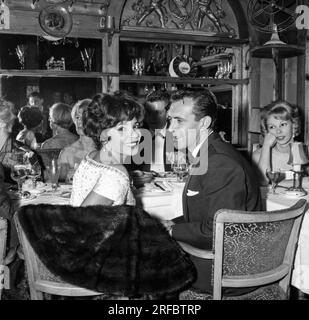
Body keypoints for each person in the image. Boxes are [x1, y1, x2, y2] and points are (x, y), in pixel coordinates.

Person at [161, 89, 262, 296]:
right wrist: (174, 223)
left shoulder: (218, 162)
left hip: (225, 270)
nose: (170, 130)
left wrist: (171, 231)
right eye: (169, 120)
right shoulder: (208, 153)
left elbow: (219, 230)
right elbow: (210, 214)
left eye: (179, 121)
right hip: (219, 255)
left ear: (204, 123)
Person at [70, 92, 144, 207]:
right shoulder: (117, 173)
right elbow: (82, 220)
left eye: (135, 126)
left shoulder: (92, 156)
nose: (134, 135)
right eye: (122, 129)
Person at [252, 101, 301, 183]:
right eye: (272, 127)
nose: (278, 131)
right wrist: (266, 146)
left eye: (283, 124)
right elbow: (263, 183)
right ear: (267, 130)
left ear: (293, 125)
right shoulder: (258, 156)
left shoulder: (305, 152)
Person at [131, 90, 173, 173]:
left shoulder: (177, 134)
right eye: (149, 112)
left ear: (168, 113)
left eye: (158, 113)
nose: (152, 117)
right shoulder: (135, 134)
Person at [58, 99, 96, 182]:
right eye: (77, 117)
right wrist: (67, 178)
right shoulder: (67, 153)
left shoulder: (107, 150)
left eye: (84, 117)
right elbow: (60, 186)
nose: (79, 121)